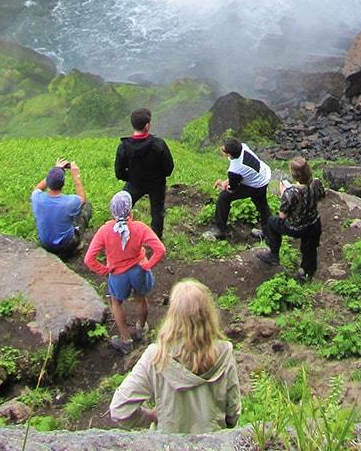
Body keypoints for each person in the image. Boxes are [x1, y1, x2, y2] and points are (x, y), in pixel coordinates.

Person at [109, 279, 241, 434]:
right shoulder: (224, 352)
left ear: (173, 315)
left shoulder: (157, 356)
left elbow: (119, 410)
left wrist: (150, 416)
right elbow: (233, 412)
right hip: (213, 443)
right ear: (208, 313)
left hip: (169, 444)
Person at [84, 190, 166, 354]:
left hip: (117, 274)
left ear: (112, 213)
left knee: (116, 303)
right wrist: (148, 264)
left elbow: (89, 259)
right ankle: (141, 329)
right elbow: (160, 249)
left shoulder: (105, 231)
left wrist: (105, 270)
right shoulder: (139, 228)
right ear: (131, 212)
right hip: (138, 270)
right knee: (141, 299)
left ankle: (125, 340)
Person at [257, 156, 325, 280]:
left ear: (294, 175)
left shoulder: (290, 193)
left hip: (296, 226)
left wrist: (283, 193)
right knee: (310, 248)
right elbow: (321, 196)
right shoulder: (316, 182)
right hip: (313, 222)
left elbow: (282, 215)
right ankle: (307, 272)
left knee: (272, 222)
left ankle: (273, 254)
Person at [114, 108, 175, 239]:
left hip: (134, 183)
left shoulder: (124, 147)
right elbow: (169, 167)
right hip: (156, 184)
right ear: (147, 126)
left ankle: (118, 234)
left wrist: (130, 177)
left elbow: (119, 172)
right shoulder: (159, 144)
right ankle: (156, 240)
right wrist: (159, 176)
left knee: (123, 206)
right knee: (157, 212)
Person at [205, 138, 272, 240]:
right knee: (262, 205)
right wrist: (230, 181)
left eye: (223, 149)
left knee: (223, 197)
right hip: (264, 175)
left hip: (256, 185)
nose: (221, 149)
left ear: (229, 154)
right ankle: (268, 232)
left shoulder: (235, 169)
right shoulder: (243, 146)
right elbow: (237, 177)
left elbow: (232, 189)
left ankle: (219, 230)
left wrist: (223, 185)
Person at [31, 159, 92, 258]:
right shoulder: (69, 202)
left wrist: (55, 171)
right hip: (67, 245)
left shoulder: (37, 197)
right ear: (63, 183)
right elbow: (82, 199)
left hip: (45, 244)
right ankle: (76, 245)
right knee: (86, 207)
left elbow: (37, 188)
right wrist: (76, 176)